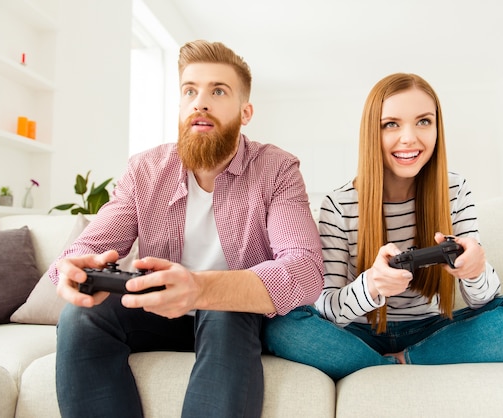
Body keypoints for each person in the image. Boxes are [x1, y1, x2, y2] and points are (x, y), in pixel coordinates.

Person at [49, 40, 324, 418]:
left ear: (245, 112)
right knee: (80, 317)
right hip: (159, 312)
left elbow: (305, 270)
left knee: (224, 306)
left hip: (233, 318)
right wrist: (74, 270)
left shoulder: (277, 169)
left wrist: (201, 288)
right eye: (190, 91)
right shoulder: (143, 170)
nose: (201, 101)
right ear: (180, 106)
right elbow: (85, 249)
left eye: (218, 91)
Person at [262, 72, 503, 381]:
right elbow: (328, 309)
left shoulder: (455, 190)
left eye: (423, 122)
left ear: (437, 128)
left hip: (431, 331)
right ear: (371, 132)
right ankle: (390, 368)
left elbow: (482, 300)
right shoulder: (339, 203)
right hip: (358, 332)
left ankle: (402, 362)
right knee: (282, 324)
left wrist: (474, 270)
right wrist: (372, 286)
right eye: (391, 124)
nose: (409, 138)